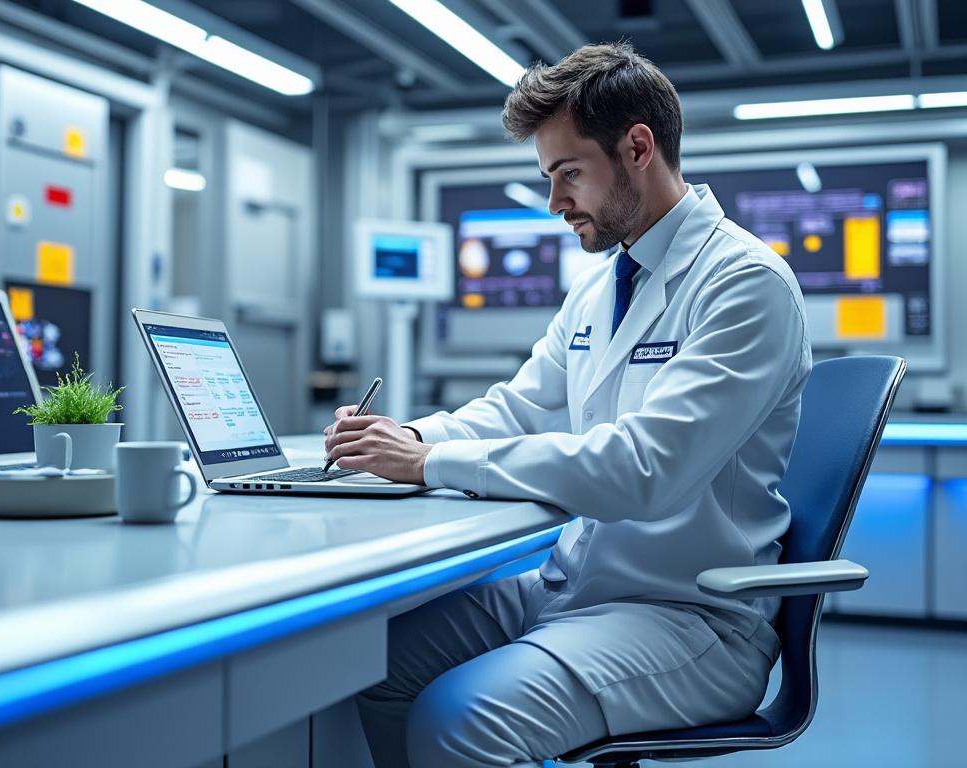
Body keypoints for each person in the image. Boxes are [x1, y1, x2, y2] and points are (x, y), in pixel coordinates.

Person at [324, 41, 811, 768]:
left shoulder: (744, 283)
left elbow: (644, 471)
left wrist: (429, 463)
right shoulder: (602, 285)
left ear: (637, 147)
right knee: (361, 663)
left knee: (463, 721)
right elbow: (520, 407)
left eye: (568, 175)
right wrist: (404, 436)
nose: (555, 203)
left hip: (690, 617)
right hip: (572, 588)